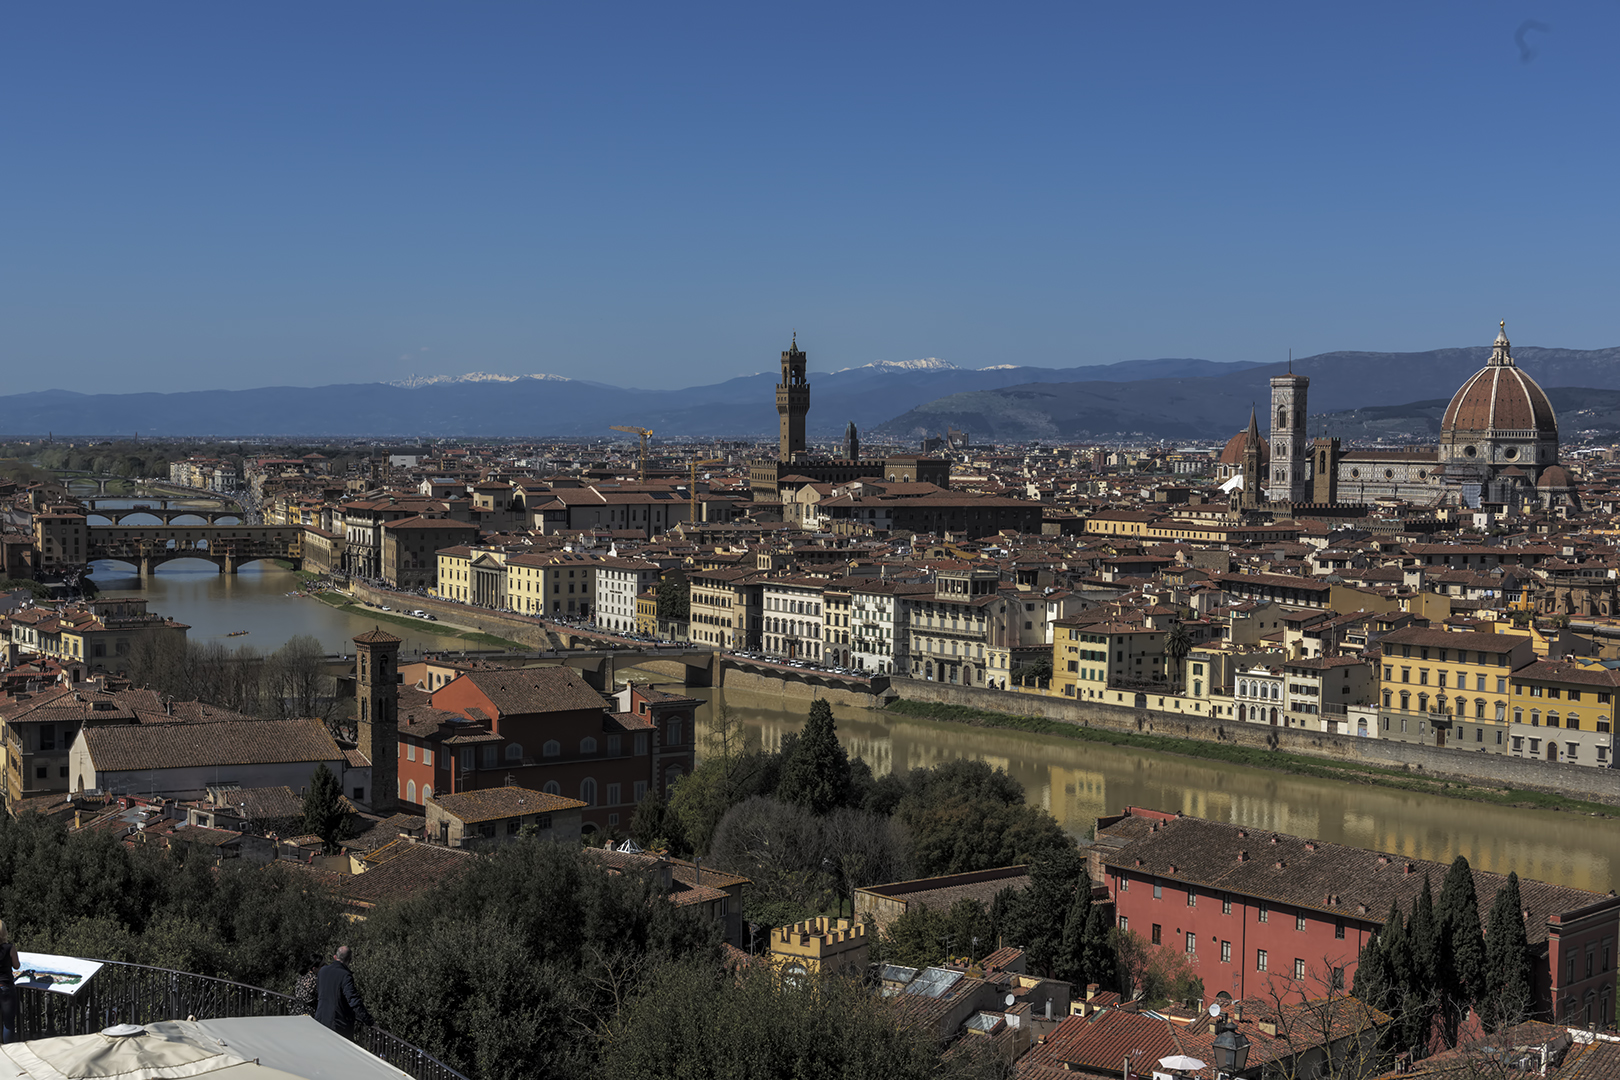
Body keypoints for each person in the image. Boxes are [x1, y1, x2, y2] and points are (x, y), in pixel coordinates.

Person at [314, 945, 373, 1038]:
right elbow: (353, 1000)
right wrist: (368, 1020)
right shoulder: (345, 975)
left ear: (335, 957)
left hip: (320, 1019)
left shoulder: (322, 971)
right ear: (349, 960)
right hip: (337, 1024)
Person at [0, 920, 19, 1044]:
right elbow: (16, 966)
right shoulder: (10, 948)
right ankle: (8, 1052)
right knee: (8, 1023)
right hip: (5, 987)